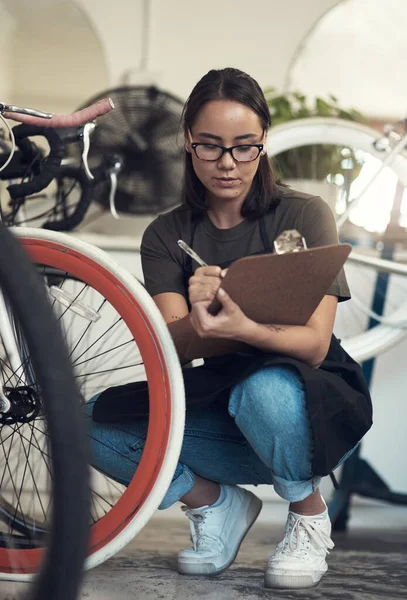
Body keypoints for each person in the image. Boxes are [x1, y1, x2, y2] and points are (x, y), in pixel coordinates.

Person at [87, 67, 372, 589]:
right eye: (210, 147)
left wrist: (240, 327)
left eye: (245, 147)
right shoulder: (168, 234)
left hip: (311, 411)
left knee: (263, 386)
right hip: (224, 406)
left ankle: (308, 514)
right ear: (188, 145)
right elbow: (171, 345)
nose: (227, 164)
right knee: (86, 423)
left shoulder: (305, 214)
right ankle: (217, 506)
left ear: (263, 142)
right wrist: (203, 325)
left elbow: (312, 345)